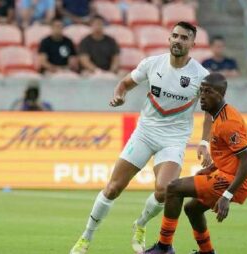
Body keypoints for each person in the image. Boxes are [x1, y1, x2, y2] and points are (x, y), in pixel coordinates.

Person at [70, 21, 212, 254]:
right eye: (174, 36)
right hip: (145, 133)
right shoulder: (152, 63)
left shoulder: (200, 75)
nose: (177, 40)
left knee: (165, 189)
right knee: (113, 188)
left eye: (184, 37)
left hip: (173, 139)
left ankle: (141, 224)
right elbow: (124, 83)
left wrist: (205, 143)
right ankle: (85, 238)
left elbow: (209, 112)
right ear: (169, 39)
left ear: (193, 43)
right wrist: (119, 96)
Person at [144, 73, 247, 254]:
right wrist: (213, 167)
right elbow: (230, 154)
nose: (202, 95)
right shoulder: (218, 116)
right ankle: (207, 252)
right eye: (201, 90)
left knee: (173, 188)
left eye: (208, 91)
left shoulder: (229, 122)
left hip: (234, 181)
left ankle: (164, 247)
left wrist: (227, 196)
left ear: (220, 94)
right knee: (192, 209)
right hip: (226, 174)